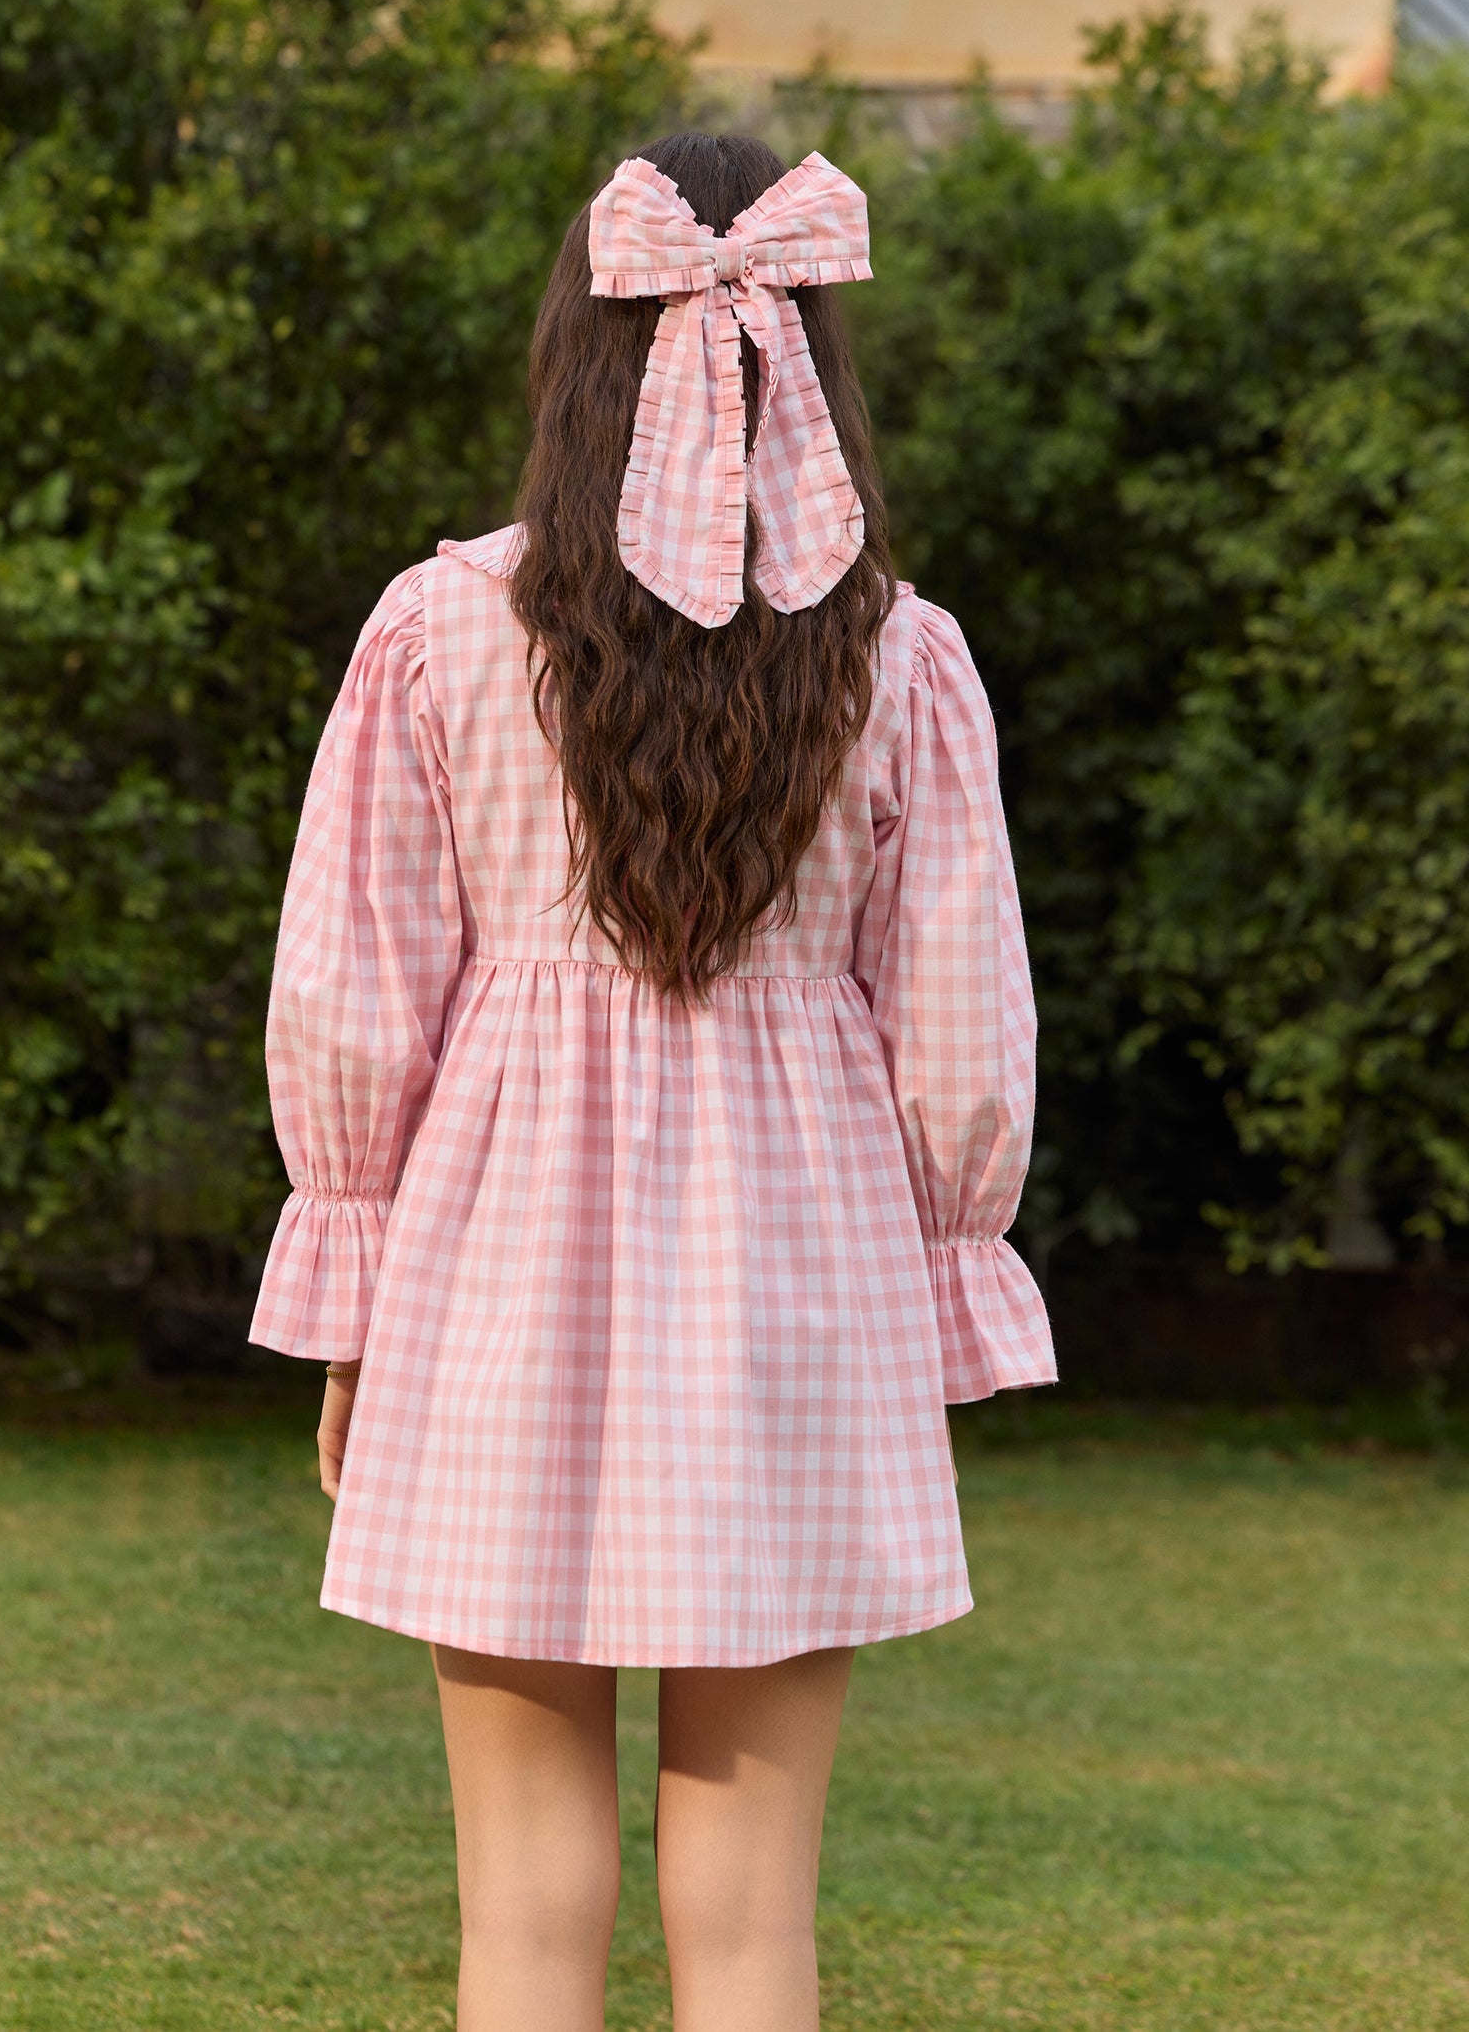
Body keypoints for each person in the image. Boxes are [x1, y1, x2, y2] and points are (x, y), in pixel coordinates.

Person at [249, 131, 1056, 2032]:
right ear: (818, 371)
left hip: (495, 1288)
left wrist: (360, 1323)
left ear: (576, 362)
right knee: (755, 1920)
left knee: (522, 1913)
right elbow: (959, 1029)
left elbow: (354, 997)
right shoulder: (905, 663)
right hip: (799, 1301)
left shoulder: (436, 633)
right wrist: (942, 1282)